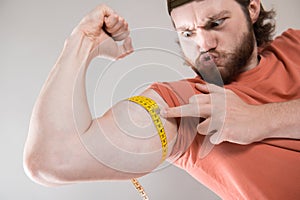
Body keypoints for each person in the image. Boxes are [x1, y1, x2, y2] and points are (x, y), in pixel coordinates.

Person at [23, 0, 300, 199]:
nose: (203, 44)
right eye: (187, 34)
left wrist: (262, 119)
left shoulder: (295, 45)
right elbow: (51, 160)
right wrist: (81, 43)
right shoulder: (184, 105)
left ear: (252, 8)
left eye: (216, 23)